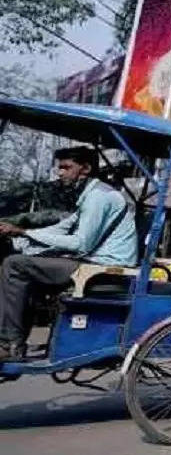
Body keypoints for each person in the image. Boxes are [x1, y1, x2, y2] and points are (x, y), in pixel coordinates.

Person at [0, 146, 138, 361]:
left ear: (85, 169)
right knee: (25, 264)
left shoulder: (99, 197)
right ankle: (17, 342)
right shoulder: (91, 194)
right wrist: (20, 236)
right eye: (60, 168)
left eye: (66, 167)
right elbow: (63, 227)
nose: (60, 173)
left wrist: (25, 232)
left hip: (105, 268)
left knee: (14, 265)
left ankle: (10, 344)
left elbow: (80, 243)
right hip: (92, 262)